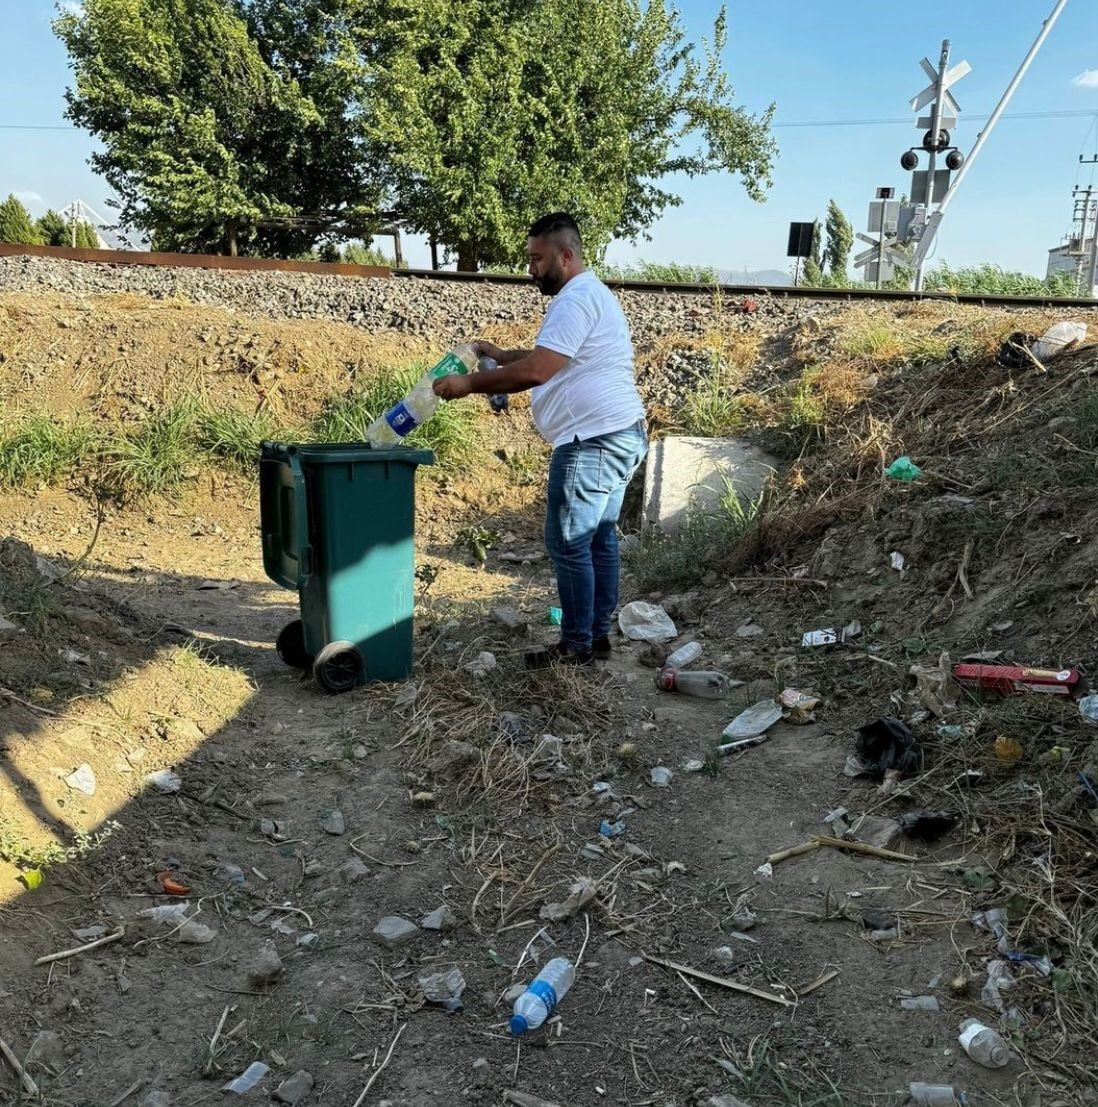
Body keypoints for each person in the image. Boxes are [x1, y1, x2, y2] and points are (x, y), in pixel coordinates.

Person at [433, 212, 647, 668]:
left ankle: (576, 648)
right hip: (620, 433)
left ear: (565, 256)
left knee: (570, 542)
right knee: (598, 539)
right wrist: (500, 354)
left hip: (590, 441)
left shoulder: (573, 299)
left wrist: (468, 384)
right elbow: (548, 356)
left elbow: (537, 372)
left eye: (537, 259)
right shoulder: (592, 295)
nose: (531, 269)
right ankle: (595, 636)